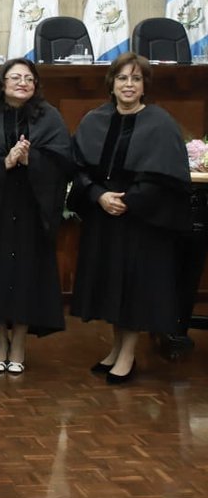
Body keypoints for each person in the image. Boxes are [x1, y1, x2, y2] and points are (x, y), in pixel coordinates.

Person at [69, 52, 191, 384]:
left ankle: (128, 354)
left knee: (134, 286)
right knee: (112, 285)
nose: (128, 84)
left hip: (142, 220)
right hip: (103, 215)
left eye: (136, 79)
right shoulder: (94, 120)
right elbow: (77, 168)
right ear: (111, 84)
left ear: (145, 86)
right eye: (122, 78)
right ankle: (116, 347)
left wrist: (128, 201)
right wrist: (99, 196)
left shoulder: (161, 123)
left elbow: (165, 178)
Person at [0, 58, 72, 373]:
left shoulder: (49, 117)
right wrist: (4, 163)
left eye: (29, 78)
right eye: (15, 77)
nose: (23, 83)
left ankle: (19, 342)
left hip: (32, 209)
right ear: (2, 82)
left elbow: (63, 163)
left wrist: (32, 160)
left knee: (27, 276)